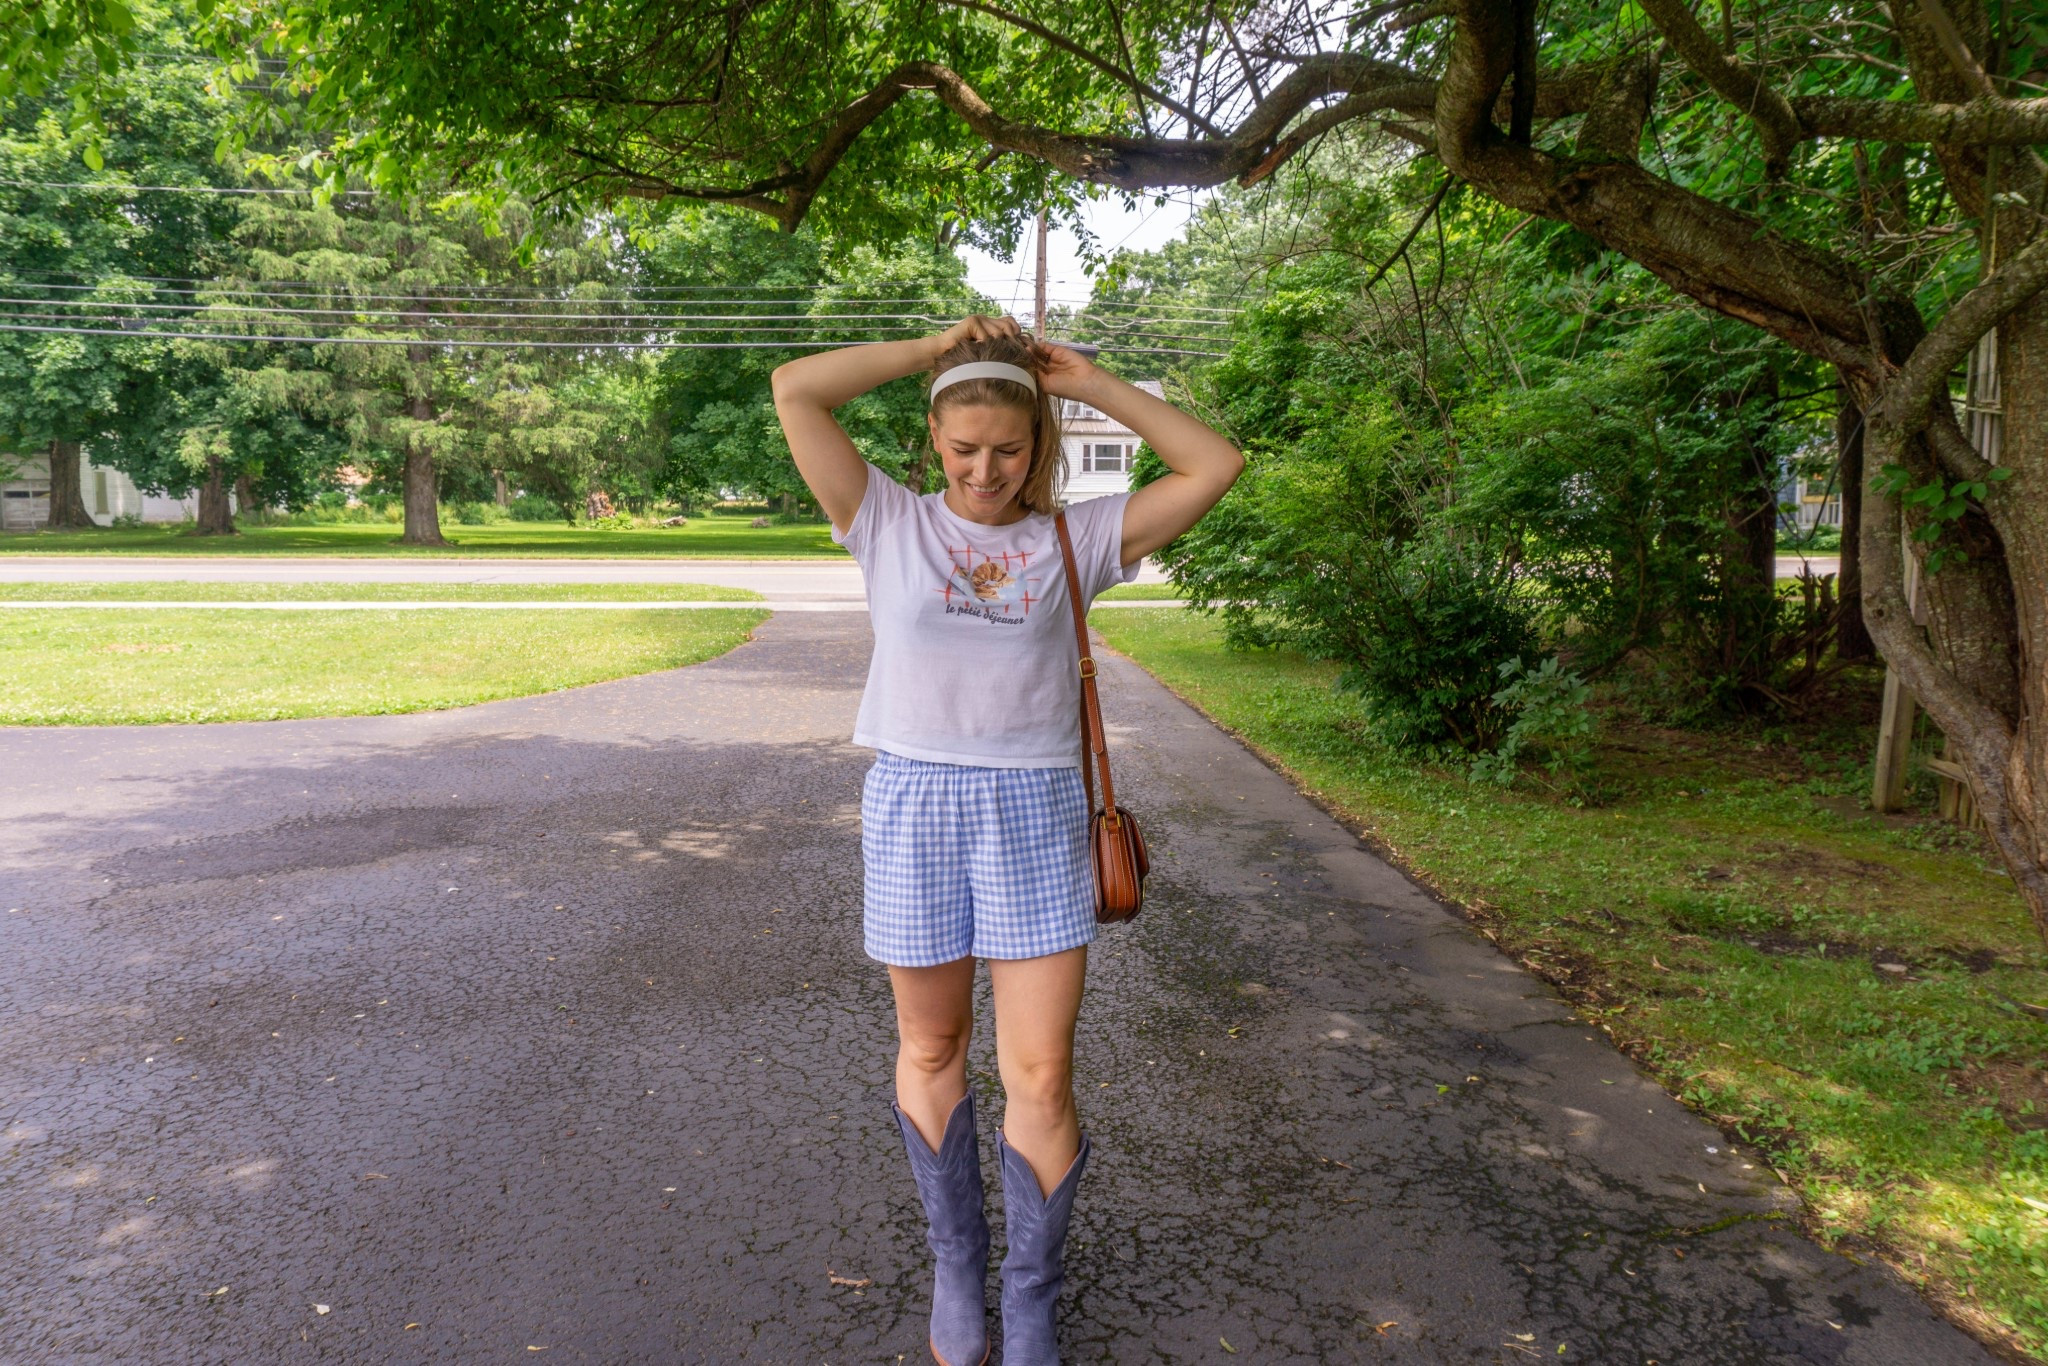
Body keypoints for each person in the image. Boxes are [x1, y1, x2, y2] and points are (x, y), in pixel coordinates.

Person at [770, 314, 1243, 1365]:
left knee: (1040, 1073)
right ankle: (956, 1265)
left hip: (1033, 811)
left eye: (1010, 449)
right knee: (931, 1046)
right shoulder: (882, 520)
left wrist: (1087, 378)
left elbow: (1215, 462)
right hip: (915, 805)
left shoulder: (1074, 539)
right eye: (964, 448)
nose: (986, 471)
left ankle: (1028, 1294)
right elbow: (796, 387)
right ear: (931, 443)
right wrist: (922, 351)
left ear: (1040, 448)